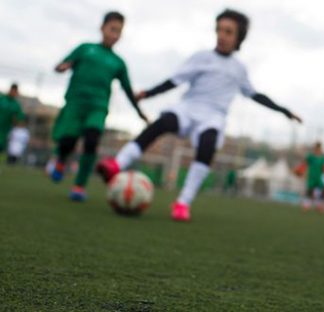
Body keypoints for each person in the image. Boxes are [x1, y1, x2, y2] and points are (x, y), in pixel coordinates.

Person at [97, 9, 302, 222]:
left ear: (238, 37)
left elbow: (255, 95)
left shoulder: (239, 69)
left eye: (228, 32)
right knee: (162, 123)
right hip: (189, 107)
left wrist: (284, 111)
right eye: (219, 30)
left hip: (213, 116)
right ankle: (117, 165)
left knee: (208, 144)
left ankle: (183, 203)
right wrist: (148, 94)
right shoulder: (201, 57)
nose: (222, 35)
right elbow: (175, 81)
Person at [49, 11, 147, 201]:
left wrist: (140, 113)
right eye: (112, 29)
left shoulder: (118, 63)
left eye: (119, 32)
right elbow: (61, 64)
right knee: (68, 142)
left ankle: (79, 186)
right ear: (102, 28)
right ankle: (61, 160)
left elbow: (128, 90)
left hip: (98, 107)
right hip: (75, 104)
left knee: (91, 141)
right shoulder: (85, 49)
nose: (114, 35)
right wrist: (62, 67)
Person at [296, 141, 324, 213]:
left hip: (320, 177)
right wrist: (300, 170)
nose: (317, 149)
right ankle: (306, 206)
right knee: (309, 191)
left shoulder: (323, 158)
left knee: (322, 192)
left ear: (320, 148)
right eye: (316, 148)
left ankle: (320, 206)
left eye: (318, 148)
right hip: (312, 176)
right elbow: (304, 163)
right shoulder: (310, 157)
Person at [0, 84, 25, 157]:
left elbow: (20, 118)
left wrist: (17, 122)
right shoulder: (2, 99)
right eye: (12, 91)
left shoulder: (16, 105)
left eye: (15, 92)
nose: (13, 93)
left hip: (5, 130)